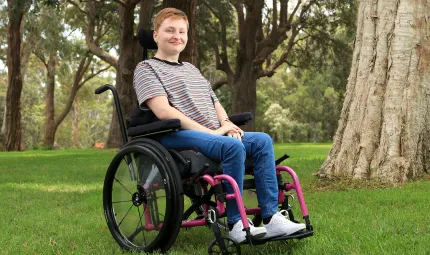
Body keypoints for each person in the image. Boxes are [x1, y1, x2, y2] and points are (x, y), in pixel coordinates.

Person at [133, 8, 305, 243]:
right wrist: (214, 132)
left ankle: (271, 217)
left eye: (182, 31)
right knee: (231, 147)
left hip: (213, 133)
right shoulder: (146, 69)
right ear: (155, 35)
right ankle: (235, 224)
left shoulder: (191, 69)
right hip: (175, 133)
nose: (177, 36)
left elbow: (214, 102)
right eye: (170, 30)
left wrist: (226, 123)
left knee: (262, 140)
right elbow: (164, 111)